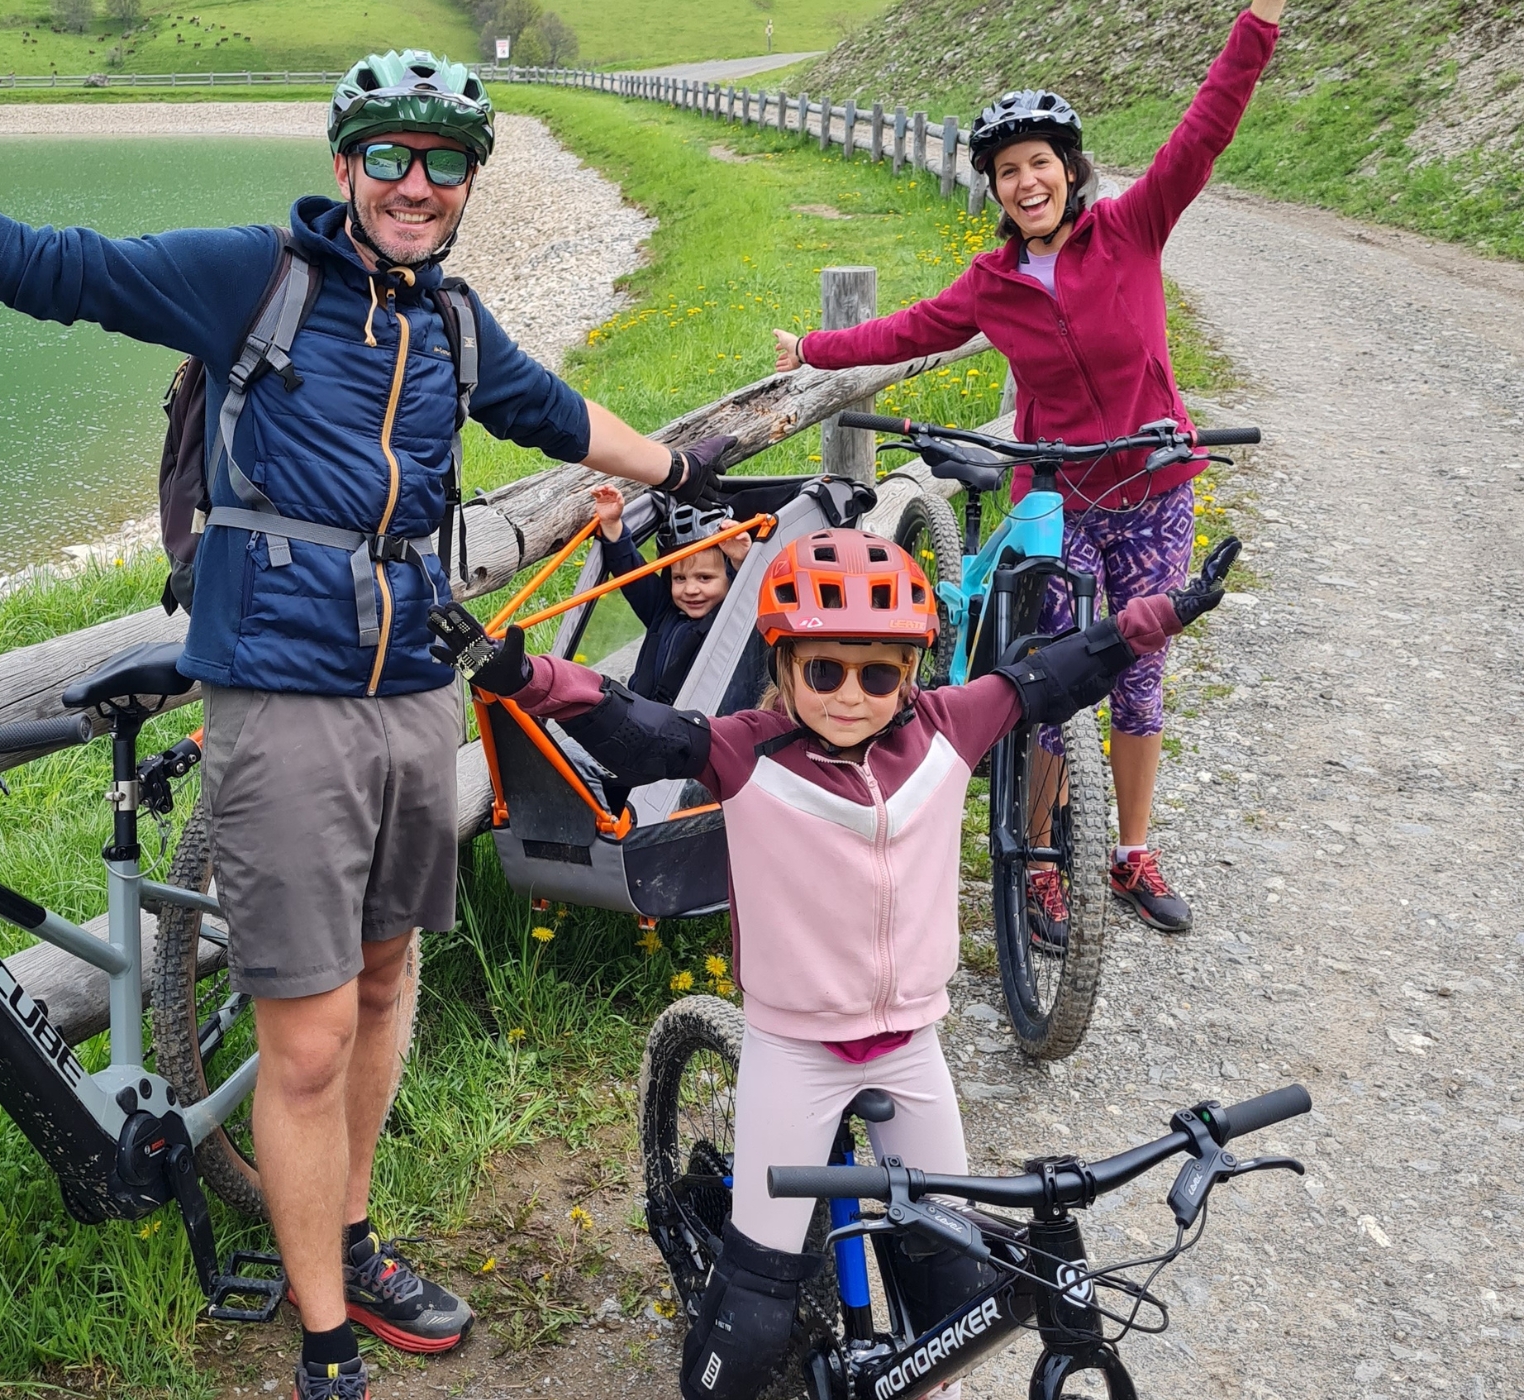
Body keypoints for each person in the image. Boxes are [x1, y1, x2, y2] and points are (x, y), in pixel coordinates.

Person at [0, 46, 735, 1400]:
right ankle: (324, 1328)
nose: (416, 184)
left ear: (468, 181)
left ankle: (351, 1234)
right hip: (285, 711)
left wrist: (683, 464)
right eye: (390, 157)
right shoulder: (256, 279)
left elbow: (553, 409)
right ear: (346, 166)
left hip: (414, 695)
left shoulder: (452, 324)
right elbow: (44, 265)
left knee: (390, 980)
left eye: (443, 161)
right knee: (303, 1040)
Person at [430, 531, 1238, 1400]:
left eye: (877, 674)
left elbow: (1056, 672)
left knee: (956, 1293)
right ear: (784, 670)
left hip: (910, 1046)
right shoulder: (748, 751)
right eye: (825, 672)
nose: (851, 696)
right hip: (794, 1050)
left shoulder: (948, 732)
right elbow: (642, 730)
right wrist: (519, 675)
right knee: (753, 1318)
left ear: (911, 675)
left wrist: (1166, 612)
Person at [772, 0, 1286, 935]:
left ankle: (1128, 853)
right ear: (997, 189)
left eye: (1040, 164)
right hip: (1057, 495)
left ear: (1070, 170)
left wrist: (1257, 21)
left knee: (1138, 672)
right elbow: (909, 329)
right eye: (1009, 172)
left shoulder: (1132, 229)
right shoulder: (992, 282)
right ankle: (1046, 857)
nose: (1026, 183)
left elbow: (1206, 128)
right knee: (1057, 678)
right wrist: (813, 348)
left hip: (1153, 487)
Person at [588, 483, 750, 705]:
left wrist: (742, 561)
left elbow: (751, 594)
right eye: (679, 578)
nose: (690, 590)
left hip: (696, 729)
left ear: (730, 577)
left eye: (705, 578)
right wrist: (612, 524)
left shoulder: (735, 618)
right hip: (639, 717)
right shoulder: (662, 609)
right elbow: (632, 574)